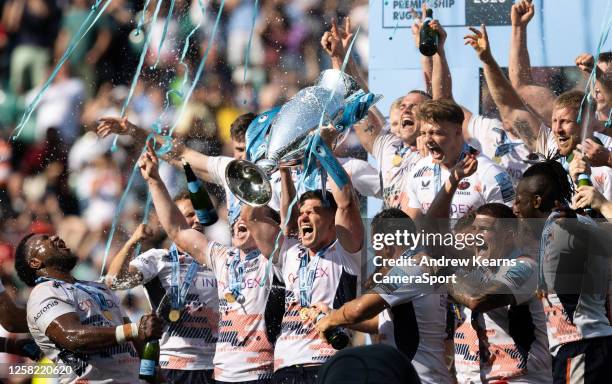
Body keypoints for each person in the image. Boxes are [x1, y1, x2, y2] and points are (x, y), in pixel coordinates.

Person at [138, 141, 279, 383]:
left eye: (250, 217)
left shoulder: (276, 258)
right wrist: (154, 181)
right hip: (222, 374)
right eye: (235, 218)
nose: (240, 220)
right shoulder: (223, 257)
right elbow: (177, 231)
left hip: (261, 373)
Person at [307, 208, 452, 384]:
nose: (375, 254)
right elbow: (380, 322)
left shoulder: (410, 270)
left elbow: (359, 310)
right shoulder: (414, 267)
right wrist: (332, 313)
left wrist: (330, 321)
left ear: (386, 245)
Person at [14, 233, 163, 382]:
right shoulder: (43, 292)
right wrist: (135, 329)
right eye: (45, 239)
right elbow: (72, 337)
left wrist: (155, 377)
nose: (54, 236)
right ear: (35, 262)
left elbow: (136, 342)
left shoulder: (98, 288)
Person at [513, 161, 612, 384]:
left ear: (537, 200)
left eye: (519, 200)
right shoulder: (556, 227)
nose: (514, 207)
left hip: (583, 344)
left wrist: (603, 207)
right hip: (580, 346)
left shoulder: (564, 225)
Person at [105, 194, 219, 384]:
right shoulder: (158, 258)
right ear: (171, 221)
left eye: (199, 213)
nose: (197, 219)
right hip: (174, 366)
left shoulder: (219, 257)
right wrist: (133, 241)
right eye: (189, 215)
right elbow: (114, 282)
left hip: (218, 364)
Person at [448, 204, 552, 383]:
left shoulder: (525, 267)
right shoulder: (476, 272)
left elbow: (478, 300)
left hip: (519, 379)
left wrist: (443, 277)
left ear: (508, 237)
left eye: (484, 229)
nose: (475, 236)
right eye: (474, 229)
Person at [405, 99, 515, 221]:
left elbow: (507, 229)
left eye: (435, 132)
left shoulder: (490, 173)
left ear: (458, 131)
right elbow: (414, 227)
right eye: (423, 133)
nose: (427, 140)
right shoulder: (418, 170)